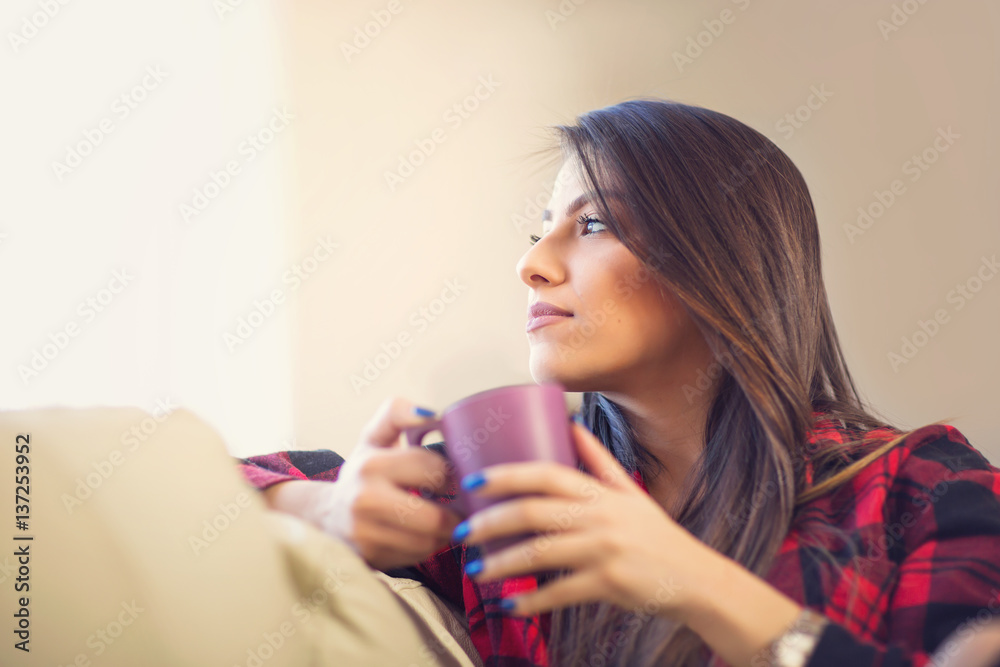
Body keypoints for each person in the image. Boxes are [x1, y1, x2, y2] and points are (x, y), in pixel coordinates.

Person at [238, 98, 1000, 667]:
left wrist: (696, 584)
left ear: (721, 261)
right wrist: (328, 507)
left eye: (593, 223)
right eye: (540, 228)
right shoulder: (514, 486)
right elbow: (197, 490)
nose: (531, 263)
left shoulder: (920, 489)